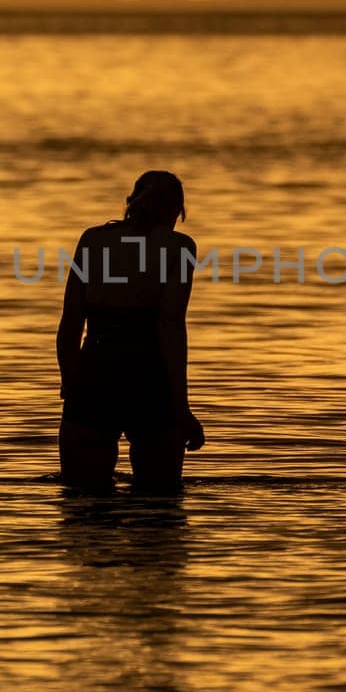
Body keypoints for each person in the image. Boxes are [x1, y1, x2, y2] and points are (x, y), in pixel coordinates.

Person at [56, 170, 205, 493]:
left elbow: (70, 322)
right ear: (176, 212)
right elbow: (170, 326)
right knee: (159, 506)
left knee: (83, 505)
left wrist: (71, 381)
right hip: (149, 377)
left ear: (130, 203)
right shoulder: (178, 247)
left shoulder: (94, 240)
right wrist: (182, 409)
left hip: (96, 371)